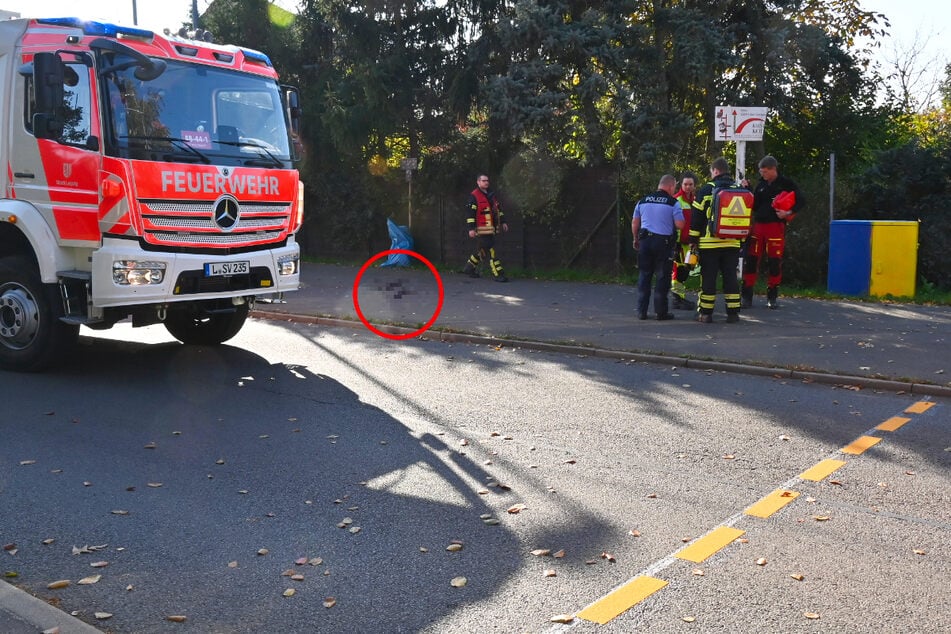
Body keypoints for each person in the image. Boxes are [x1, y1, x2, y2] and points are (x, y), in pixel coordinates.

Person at [741, 155, 804, 309]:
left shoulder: (786, 183)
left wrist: (788, 213)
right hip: (759, 226)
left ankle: (772, 296)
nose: (762, 174)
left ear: (773, 169)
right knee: (751, 261)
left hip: (776, 227)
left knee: (774, 262)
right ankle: (747, 296)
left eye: (764, 172)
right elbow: (755, 206)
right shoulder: (761, 184)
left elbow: (801, 200)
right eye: (761, 172)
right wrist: (748, 189)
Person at [689, 157, 742, 323]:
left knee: (708, 279)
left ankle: (706, 314)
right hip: (733, 242)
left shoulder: (706, 190)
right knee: (731, 279)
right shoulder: (738, 189)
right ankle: (733, 314)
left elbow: (696, 218)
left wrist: (693, 239)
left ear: (716, 171)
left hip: (709, 243)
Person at [631, 174, 685, 320]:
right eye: (674, 187)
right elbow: (680, 224)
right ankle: (661, 312)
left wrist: (636, 239)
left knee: (644, 275)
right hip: (663, 244)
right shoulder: (673, 202)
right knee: (662, 278)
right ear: (670, 186)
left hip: (645, 242)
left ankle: (641, 311)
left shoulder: (643, 201)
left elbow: (635, 223)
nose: (674, 190)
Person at [462, 174, 509, 282]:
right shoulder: (474, 196)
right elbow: (470, 214)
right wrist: (471, 229)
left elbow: (498, 209)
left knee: (482, 250)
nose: (486, 182)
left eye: (487, 180)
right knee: (492, 250)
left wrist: (504, 222)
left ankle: (469, 268)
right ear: (478, 182)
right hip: (481, 229)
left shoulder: (492, 195)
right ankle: (498, 274)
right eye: (483, 181)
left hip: (491, 229)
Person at [670, 172, 697, 309]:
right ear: (681, 184)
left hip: (691, 243)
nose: (687, 187)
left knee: (687, 270)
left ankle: (679, 297)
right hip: (679, 243)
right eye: (685, 184)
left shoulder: (696, 200)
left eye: (690, 184)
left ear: (694, 186)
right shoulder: (677, 200)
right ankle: (677, 298)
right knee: (678, 270)